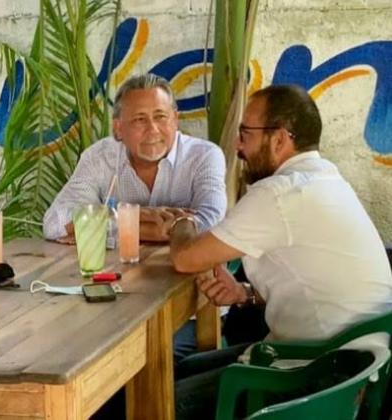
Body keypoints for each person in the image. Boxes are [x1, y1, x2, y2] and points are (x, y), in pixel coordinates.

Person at [169, 84, 392, 419]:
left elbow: (185, 258)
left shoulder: (280, 193)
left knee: (159, 401)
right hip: (355, 365)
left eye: (245, 133)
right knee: (182, 369)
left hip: (320, 375)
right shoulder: (325, 178)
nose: (237, 145)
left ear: (279, 139)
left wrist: (180, 222)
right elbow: (314, 283)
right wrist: (245, 293)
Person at [43, 73, 227, 361]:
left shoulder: (204, 156)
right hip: (112, 307)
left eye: (161, 117)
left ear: (175, 119)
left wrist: (103, 226)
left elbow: (211, 224)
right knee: (66, 350)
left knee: (139, 359)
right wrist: (142, 220)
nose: (153, 130)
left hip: (191, 309)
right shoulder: (100, 158)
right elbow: (56, 222)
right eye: (140, 120)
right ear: (118, 128)